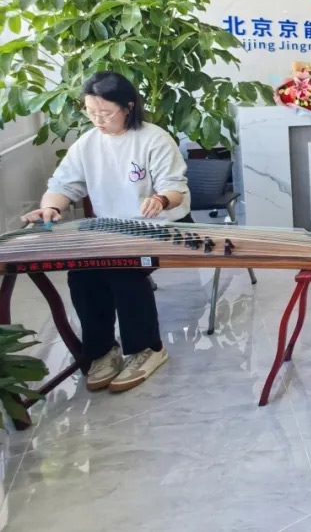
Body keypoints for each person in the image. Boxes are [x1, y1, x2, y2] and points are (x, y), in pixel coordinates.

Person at [21, 72, 189, 393]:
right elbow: (63, 184)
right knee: (82, 274)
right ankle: (102, 351)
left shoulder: (153, 139)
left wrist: (160, 199)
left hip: (156, 227)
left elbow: (175, 189)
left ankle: (148, 349)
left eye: (106, 113)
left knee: (122, 272)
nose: (98, 120)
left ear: (128, 107)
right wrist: (51, 207)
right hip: (111, 229)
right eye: (91, 112)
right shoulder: (88, 143)